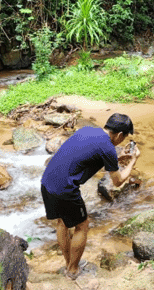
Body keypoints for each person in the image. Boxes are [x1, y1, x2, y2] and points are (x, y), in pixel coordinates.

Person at [40, 113, 140, 279]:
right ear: (120, 135)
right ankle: (72, 270)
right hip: (65, 189)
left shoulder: (87, 130)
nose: (122, 141)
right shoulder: (107, 147)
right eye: (124, 137)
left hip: (47, 181)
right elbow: (118, 181)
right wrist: (132, 161)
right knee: (82, 225)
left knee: (62, 222)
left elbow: (86, 156)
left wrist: (117, 158)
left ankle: (69, 263)